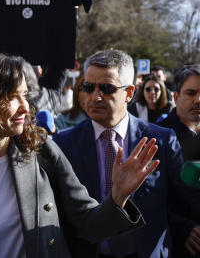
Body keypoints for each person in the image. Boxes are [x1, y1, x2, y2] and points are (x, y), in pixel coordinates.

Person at [0, 52, 160, 258]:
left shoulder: (41, 151)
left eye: (25, 95)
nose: (25, 106)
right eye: (11, 97)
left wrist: (118, 197)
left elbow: (87, 224)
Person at [53, 48, 200, 258]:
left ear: (129, 93)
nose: (95, 97)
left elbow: (189, 196)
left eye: (106, 88)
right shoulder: (63, 143)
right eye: (88, 87)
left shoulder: (161, 140)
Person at [157, 64, 200, 258]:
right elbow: (144, 198)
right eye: (191, 93)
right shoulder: (155, 137)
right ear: (176, 97)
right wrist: (182, 228)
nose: (198, 100)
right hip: (174, 245)